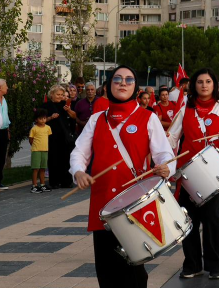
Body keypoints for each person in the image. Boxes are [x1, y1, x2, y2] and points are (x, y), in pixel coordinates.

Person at [69, 65, 176, 288]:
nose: (123, 83)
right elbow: (79, 152)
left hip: (135, 205)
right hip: (103, 205)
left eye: (128, 79)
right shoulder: (96, 119)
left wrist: (166, 167)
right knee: (106, 271)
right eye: (117, 79)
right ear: (109, 86)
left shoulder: (148, 118)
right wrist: (78, 171)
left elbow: (164, 153)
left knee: (134, 271)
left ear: (135, 87)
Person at [167, 68, 219, 279]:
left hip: (213, 173)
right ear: (194, 85)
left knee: (212, 220)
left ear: (214, 85)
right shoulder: (185, 109)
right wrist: (165, 154)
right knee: (189, 220)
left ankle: (214, 265)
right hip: (188, 173)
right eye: (200, 82)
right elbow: (172, 137)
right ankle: (192, 265)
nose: (204, 85)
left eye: (208, 81)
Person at [43, 85, 77, 188]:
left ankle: (66, 181)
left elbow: (74, 116)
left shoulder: (65, 104)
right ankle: (54, 182)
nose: (60, 97)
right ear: (51, 95)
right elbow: (40, 120)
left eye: (62, 95)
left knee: (66, 158)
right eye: (58, 94)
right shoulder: (46, 105)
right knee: (53, 158)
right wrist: (50, 117)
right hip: (52, 136)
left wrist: (68, 110)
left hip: (65, 136)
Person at [0, 79, 11, 189]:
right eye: (6, 85)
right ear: (0, 87)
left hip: (3, 131)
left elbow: (6, 116)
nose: (7, 87)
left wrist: (8, 130)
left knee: (1, 157)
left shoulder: (4, 99)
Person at [29, 109, 52, 193]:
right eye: (41, 118)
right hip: (36, 151)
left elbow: (48, 138)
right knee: (36, 168)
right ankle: (34, 185)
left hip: (45, 150)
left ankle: (42, 184)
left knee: (43, 168)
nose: (43, 120)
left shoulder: (48, 128)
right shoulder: (34, 129)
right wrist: (35, 146)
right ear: (36, 119)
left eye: (44, 118)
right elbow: (31, 139)